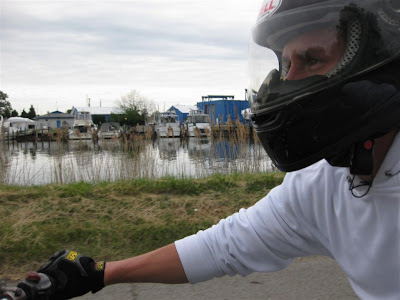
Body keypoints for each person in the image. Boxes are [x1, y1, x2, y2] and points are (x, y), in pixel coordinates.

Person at [19, 0, 400, 299]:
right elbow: (225, 245)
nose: (287, 84)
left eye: (312, 59)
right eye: (285, 65)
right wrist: (100, 273)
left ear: (373, 61)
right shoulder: (323, 185)